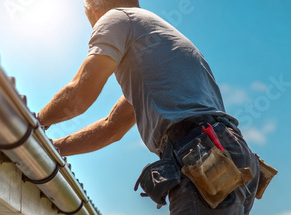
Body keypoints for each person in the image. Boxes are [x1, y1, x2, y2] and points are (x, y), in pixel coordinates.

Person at [37, 0, 260, 214]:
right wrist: (52, 147)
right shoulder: (155, 47)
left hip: (201, 154)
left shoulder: (114, 18)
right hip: (230, 154)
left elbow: (80, 93)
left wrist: (35, 124)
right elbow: (111, 127)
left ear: (96, 10)